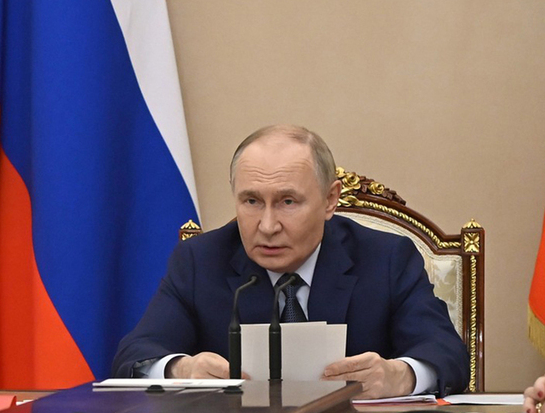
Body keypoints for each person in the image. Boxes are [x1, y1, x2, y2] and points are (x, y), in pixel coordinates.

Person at [112, 124, 468, 398]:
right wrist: (181, 370)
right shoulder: (200, 261)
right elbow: (134, 355)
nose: (267, 226)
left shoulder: (386, 258)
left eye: (287, 202)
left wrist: (400, 376)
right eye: (252, 201)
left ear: (330, 200)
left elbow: (447, 353)